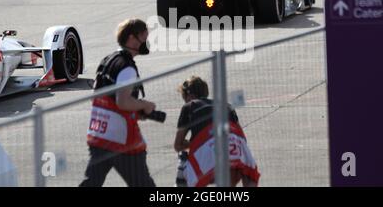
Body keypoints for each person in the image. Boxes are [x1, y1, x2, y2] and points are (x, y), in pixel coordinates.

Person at [80, 18, 156, 187]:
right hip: (121, 141)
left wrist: (135, 110)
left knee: (91, 182)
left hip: (99, 134)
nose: (146, 42)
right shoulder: (126, 67)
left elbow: (104, 96)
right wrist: (144, 105)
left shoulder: (108, 60)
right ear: (131, 38)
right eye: (144, 37)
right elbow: (123, 101)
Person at [174, 76, 260, 187]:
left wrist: (198, 145)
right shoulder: (227, 105)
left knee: (183, 160)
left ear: (190, 96)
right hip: (233, 151)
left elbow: (178, 144)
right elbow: (242, 138)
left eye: (184, 98)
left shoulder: (190, 106)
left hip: (209, 159)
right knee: (247, 171)